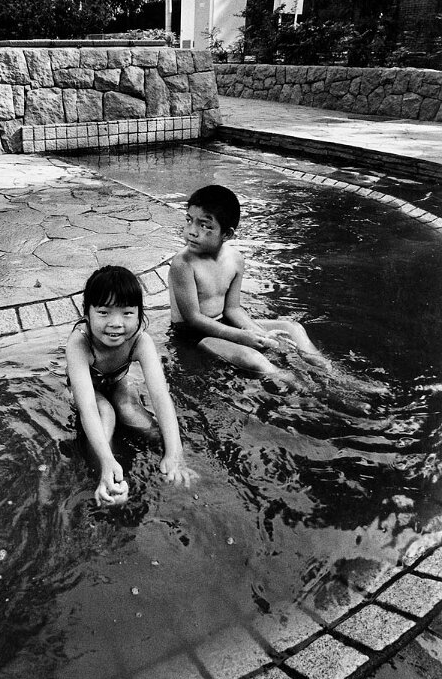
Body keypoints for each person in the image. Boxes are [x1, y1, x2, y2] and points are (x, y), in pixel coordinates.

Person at [66, 265, 198, 507]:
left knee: (131, 411)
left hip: (118, 381)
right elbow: (87, 408)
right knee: (105, 413)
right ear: (86, 313)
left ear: (139, 314)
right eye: (104, 312)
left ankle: (173, 463)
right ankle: (107, 480)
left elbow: (160, 396)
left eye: (127, 313)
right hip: (87, 390)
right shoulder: (80, 342)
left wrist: (175, 453)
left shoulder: (140, 340)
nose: (116, 323)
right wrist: (106, 461)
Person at [169, 184, 329, 381]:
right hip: (196, 336)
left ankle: (328, 370)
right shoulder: (183, 263)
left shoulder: (235, 259)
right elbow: (193, 319)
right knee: (253, 358)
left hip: (224, 323)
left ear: (227, 234)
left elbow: (233, 309)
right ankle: (310, 389)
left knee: (291, 328)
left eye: (205, 226)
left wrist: (259, 333)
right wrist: (241, 336)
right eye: (189, 220)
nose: (192, 231)